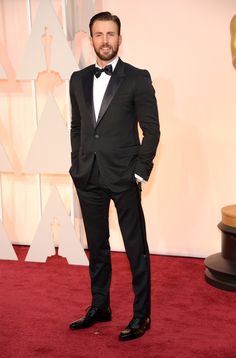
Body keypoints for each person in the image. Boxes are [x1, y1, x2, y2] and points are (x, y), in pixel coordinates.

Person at [69, 11, 160, 341]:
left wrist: (139, 171)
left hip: (124, 176)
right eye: (98, 34)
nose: (105, 40)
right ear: (91, 39)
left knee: (136, 247)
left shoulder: (137, 78)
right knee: (97, 246)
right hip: (88, 175)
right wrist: (75, 163)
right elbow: (77, 127)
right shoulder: (77, 79)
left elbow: (151, 130)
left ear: (119, 39)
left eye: (110, 34)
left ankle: (142, 315)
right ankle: (100, 306)